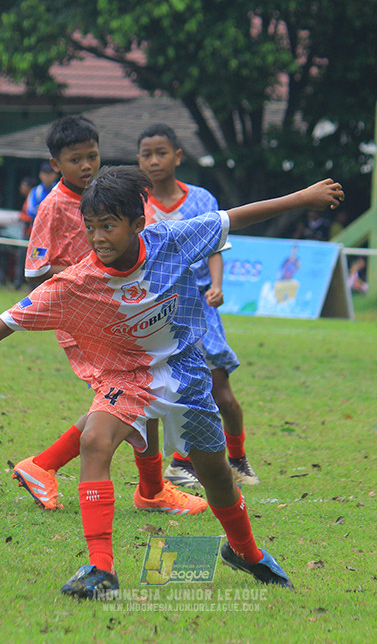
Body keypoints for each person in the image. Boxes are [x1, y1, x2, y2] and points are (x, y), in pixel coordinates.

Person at [0, 165, 344, 597]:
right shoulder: (76, 283)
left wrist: (303, 196)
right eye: (91, 227)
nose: (98, 237)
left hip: (185, 376)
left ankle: (245, 551)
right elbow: (10, 319)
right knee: (96, 439)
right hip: (127, 378)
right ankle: (100, 569)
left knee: (215, 477)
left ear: (139, 224)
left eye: (108, 226)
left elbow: (236, 216)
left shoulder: (172, 241)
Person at [14, 116, 205, 517]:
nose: (86, 166)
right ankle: (144, 489)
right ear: (56, 164)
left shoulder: (108, 196)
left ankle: (49, 467)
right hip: (88, 321)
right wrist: (87, 285)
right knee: (133, 395)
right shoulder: (51, 207)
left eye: (92, 157)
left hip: (122, 313)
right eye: (75, 159)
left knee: (133, 397)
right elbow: (35, 272)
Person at [136, 123, 258, 489]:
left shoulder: (202, 199)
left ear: (178, 156)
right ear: (138, 160)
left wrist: (216, 286)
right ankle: (180, 463)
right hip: (158, 308)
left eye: (161, 153)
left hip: (200, 305)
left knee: (220, 391)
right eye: (146, 154)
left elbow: (215, 246)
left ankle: (237, 455)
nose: (154, 161)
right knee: (169, 388)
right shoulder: (137, 201)